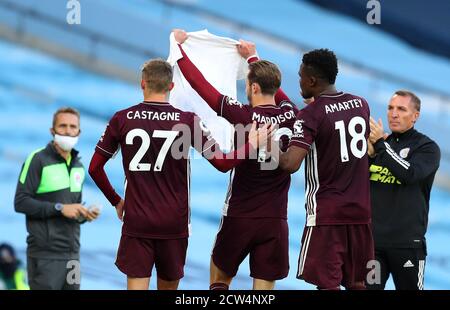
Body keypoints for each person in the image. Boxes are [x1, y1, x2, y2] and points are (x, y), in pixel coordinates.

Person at [88, 58, 271, 290]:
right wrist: (251, 144)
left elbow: (94, 168)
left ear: (142, 84)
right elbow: (223, 164)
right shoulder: (187, 122)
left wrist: (117, 201)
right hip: (173, 224)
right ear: (171, 87)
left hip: (137, 220)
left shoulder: (122, 118)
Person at [174, 29, 297, 290]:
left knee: (219, 280)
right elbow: (280, 96)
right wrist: (253, 57)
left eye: (247, 86)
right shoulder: (290, 114)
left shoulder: (243, 115)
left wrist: (178, 52)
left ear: (253, 87)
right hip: (276, 220)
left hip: (240, 215)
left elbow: (202, 86)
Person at [278, 48, 374, 290]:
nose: (298, 80)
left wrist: (265, 144)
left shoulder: (312, 115)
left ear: (312, 80)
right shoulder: (361, 104)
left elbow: (290, 164)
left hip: (327, 214)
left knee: (326, 283)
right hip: (361, 212)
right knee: (357, 282)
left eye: (301, 76)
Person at [14, 107, 99, 290]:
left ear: (79, 132)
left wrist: (84, 214)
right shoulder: (37, 160)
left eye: (73, 127)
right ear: (52, 131)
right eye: (63, 126)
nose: (68, 131)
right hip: (45, 256)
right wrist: (59, 208)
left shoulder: (78, 166)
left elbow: (72, 210)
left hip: (72, 255)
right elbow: (20, 202)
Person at [366, 90, 440, 290]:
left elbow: (410, 174)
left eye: (401, 109)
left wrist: (381, 145)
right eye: (390, 108)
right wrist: (369, 157)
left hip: (407, 246)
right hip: (374, 247)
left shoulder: (427, 148)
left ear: (415, 116)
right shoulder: (381, 146)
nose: (394, 114)